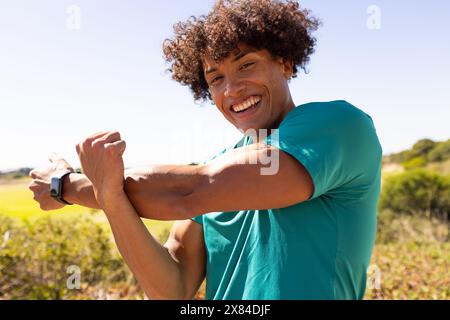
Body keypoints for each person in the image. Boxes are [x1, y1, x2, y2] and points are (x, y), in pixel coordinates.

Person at [29, 0, 382, 300]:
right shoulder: (217, 164)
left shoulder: (338, 125)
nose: (232, 89)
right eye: (215, 78)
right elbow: (174, 288)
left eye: (246, 65)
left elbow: (189, 192)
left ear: (286, 63)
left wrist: (67, 186)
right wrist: (109, 196)